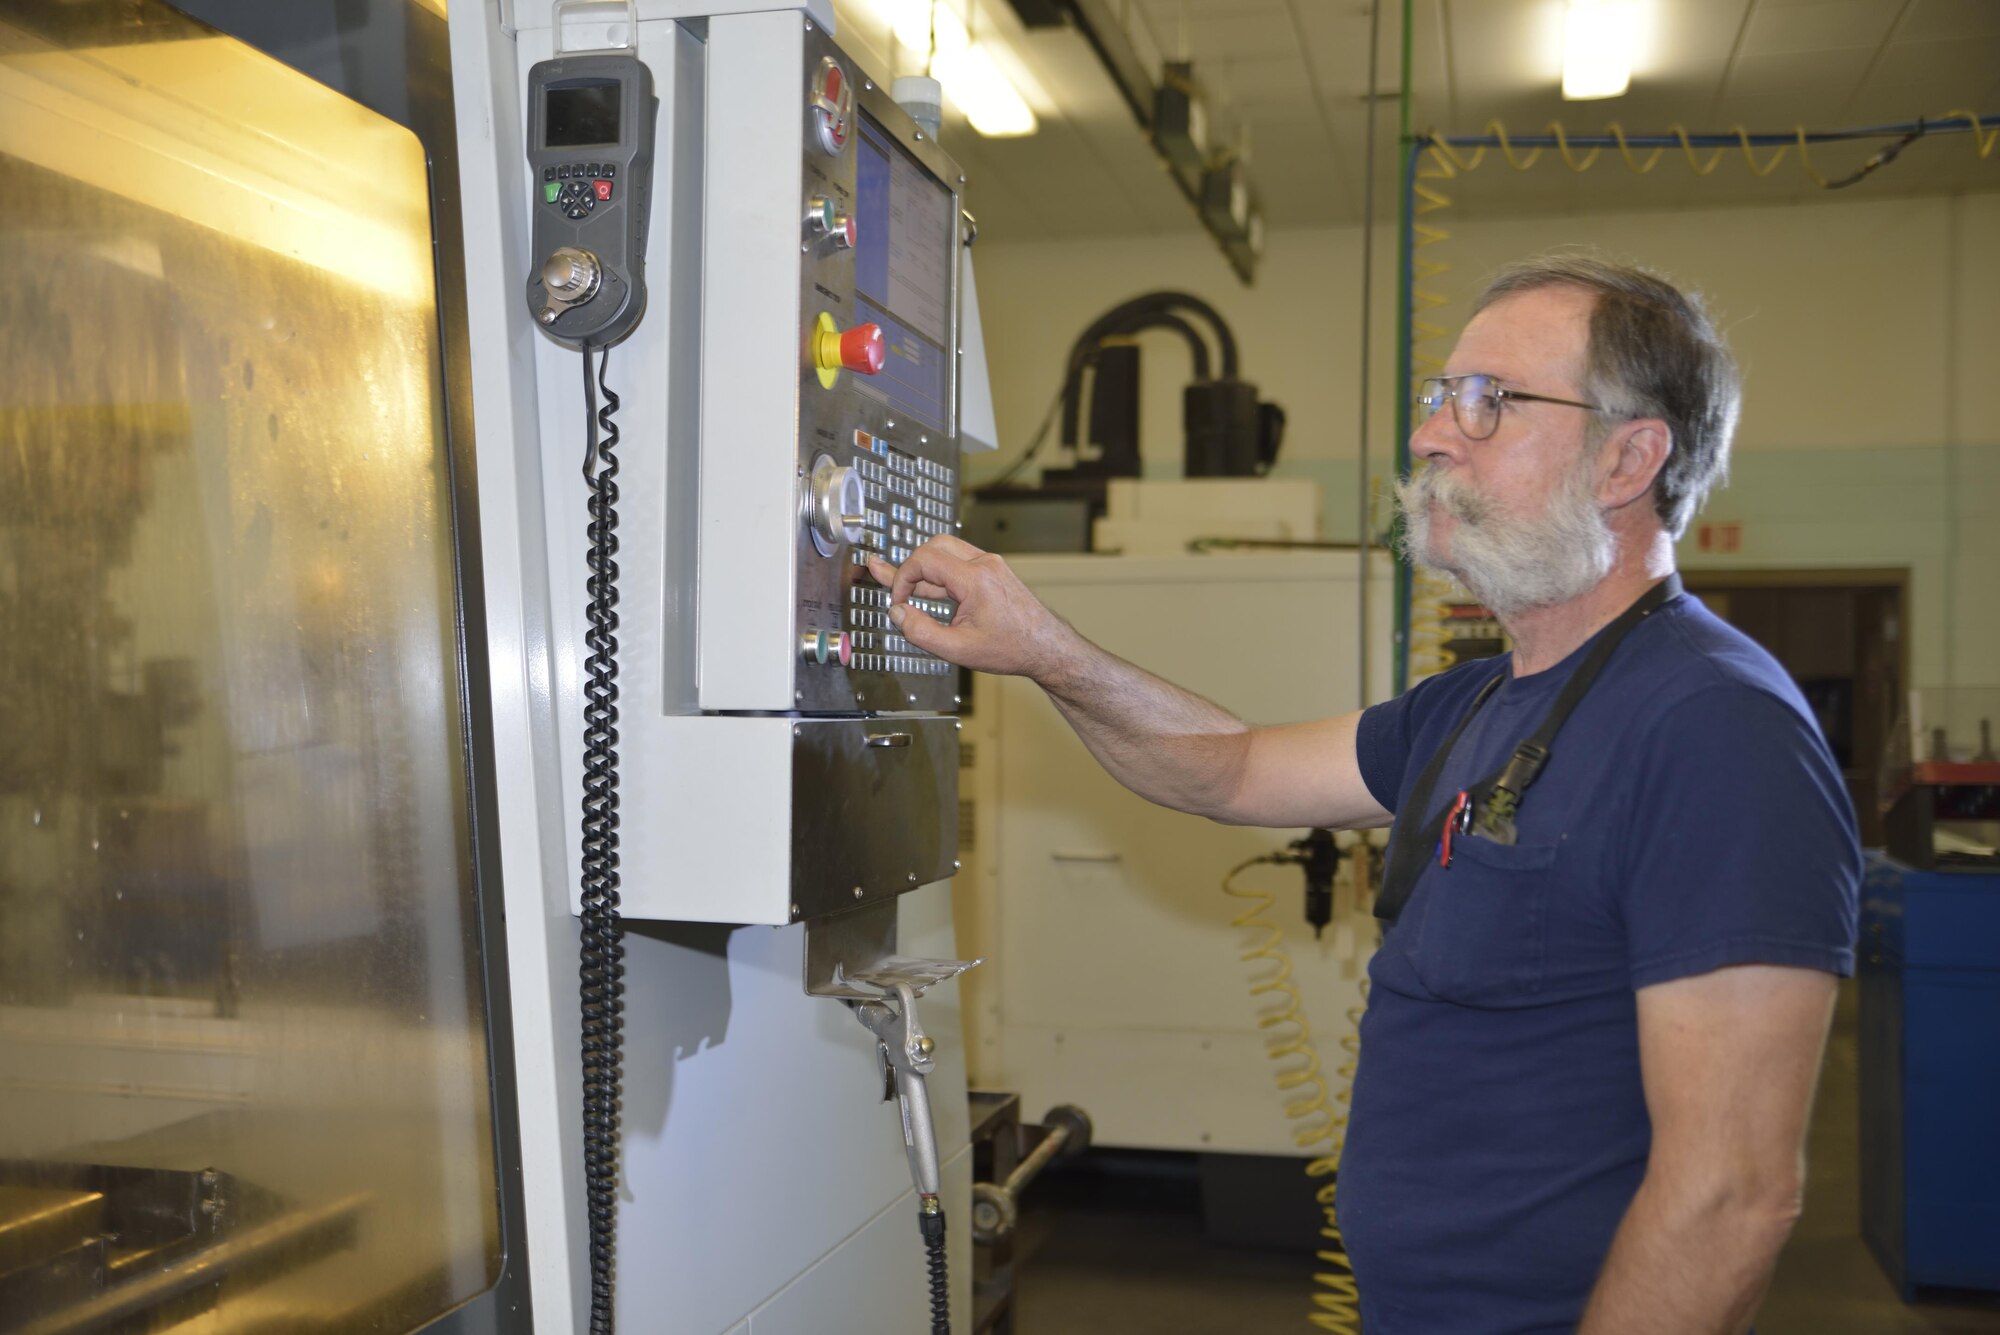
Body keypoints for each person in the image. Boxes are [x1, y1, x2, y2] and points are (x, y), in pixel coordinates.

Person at [868, 252, 1862, 1334]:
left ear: (1627, 457)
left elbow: (1731, 1196)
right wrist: (1042, 649)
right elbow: (1232, 766)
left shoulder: (1713, 727)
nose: (1431, 434)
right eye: (1438, 396)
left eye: (1488, 401)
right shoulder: (1476, 705)